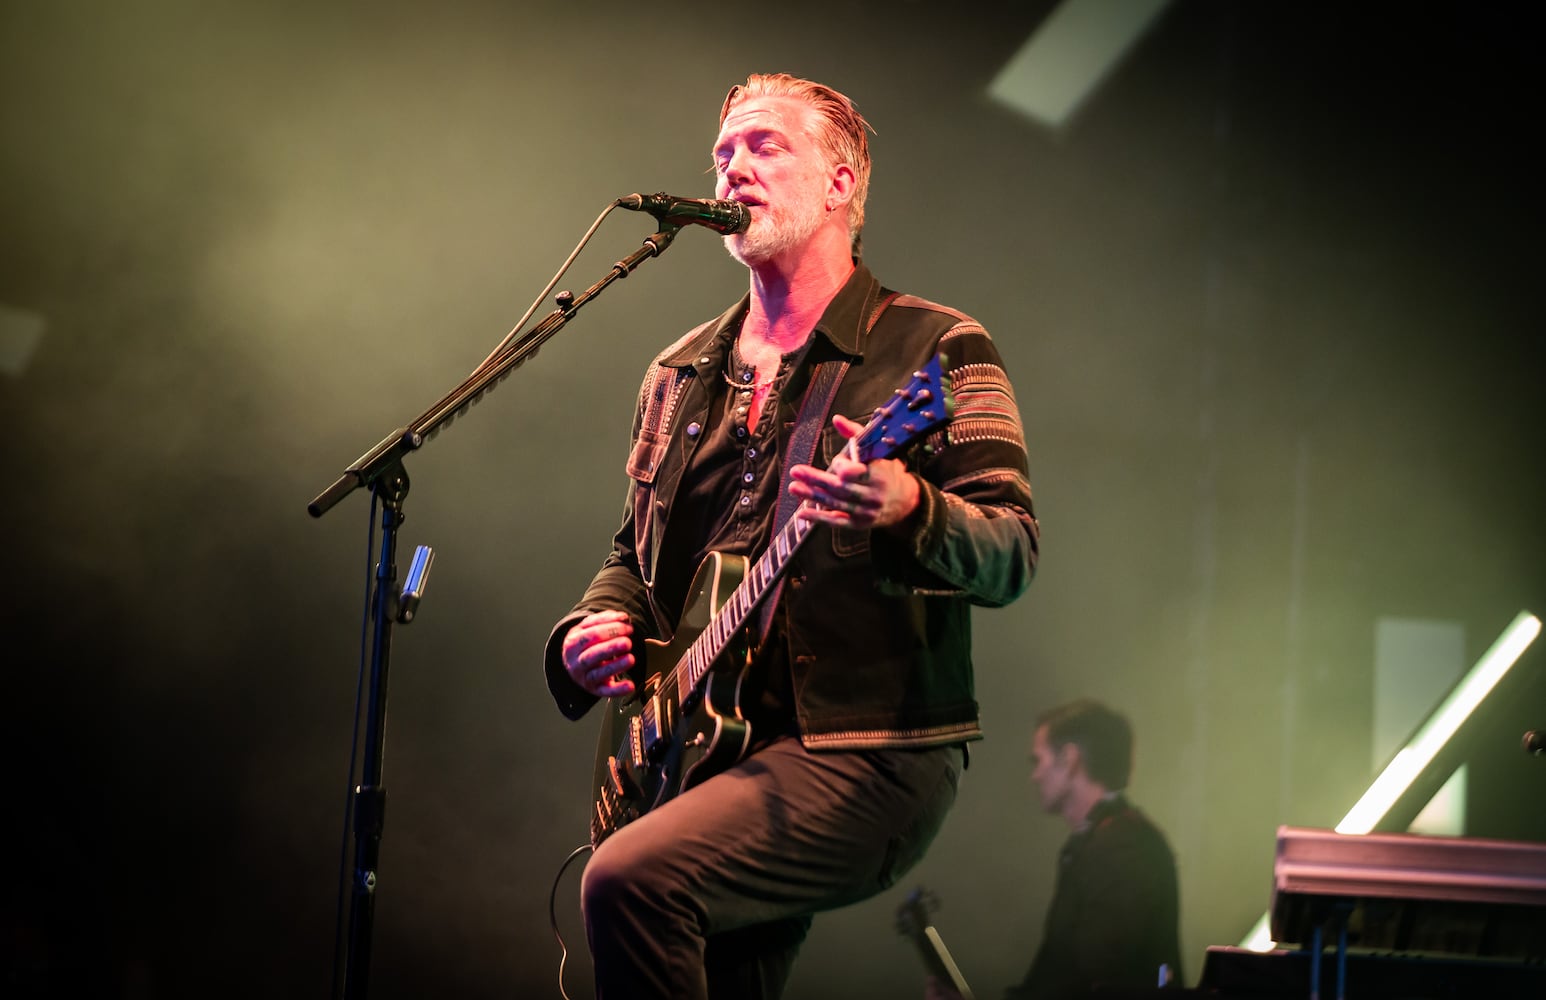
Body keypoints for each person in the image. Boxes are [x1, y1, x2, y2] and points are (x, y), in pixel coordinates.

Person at [541, 72, 1039, 1000]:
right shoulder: (677, 371)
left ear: (841, 185)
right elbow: (630, 563)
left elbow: (1012, 553)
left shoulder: (940, 347)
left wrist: (910, 508)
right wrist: (584, 634)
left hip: (863, 752)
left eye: (764, 147)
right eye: (723, 153)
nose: (732, 171)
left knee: (631, 881)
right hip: (696, 750)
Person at [930, 700, 1182, 1000]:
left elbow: (1097, 978)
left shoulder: (1126, 848)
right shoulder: (1109, 842)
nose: (1035, 775)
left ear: (1070, 759)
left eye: (1039, 760)